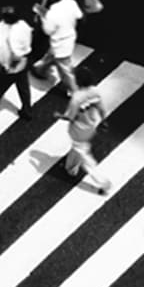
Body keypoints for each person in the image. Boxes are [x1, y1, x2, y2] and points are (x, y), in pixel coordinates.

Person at [54, 66, 111, 194]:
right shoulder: (95, 92)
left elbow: (70, 117)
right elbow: (101, 109)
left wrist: (59, 115)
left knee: (86, 159)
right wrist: (103, 120)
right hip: (90, 125)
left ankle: (103, 182)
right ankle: (71, 168)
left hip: (78, 130)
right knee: (78, 149)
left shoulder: (77, 98)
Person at [32, 0, 82, 96]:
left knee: (66, 71)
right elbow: (79, 16)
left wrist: (43, 17)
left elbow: (47, 30)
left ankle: (76, 94)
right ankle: (40, 69)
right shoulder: (71, 3)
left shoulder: (53, 13)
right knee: (51, 56)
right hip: (70, 36)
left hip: (59, 43)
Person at [0, 5, 32, 120]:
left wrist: (9, 66)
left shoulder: (6, 28)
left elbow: (13, 51)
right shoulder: (24, 26)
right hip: (23, 59)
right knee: (23, 85)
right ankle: (27, 109)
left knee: (0, 85)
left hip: (13, 63)